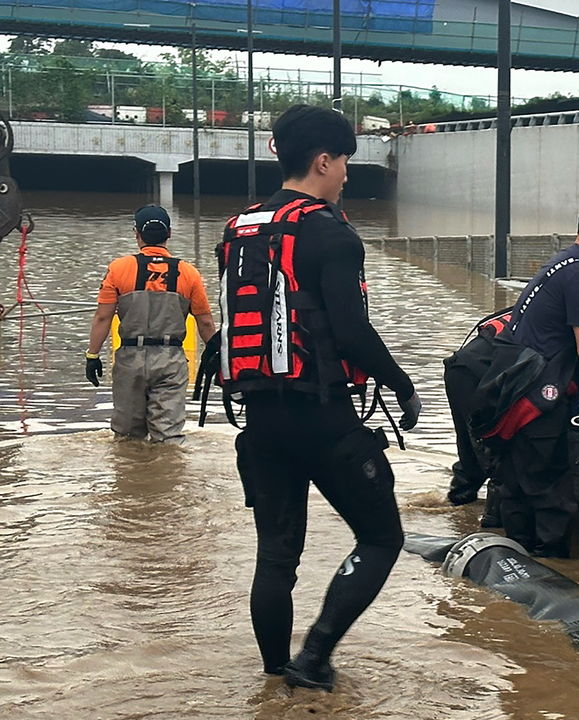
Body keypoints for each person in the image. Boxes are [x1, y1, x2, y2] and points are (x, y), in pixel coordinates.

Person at [219, 104, 421, 691]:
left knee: (276, 559)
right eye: (346, 163)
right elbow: (351, 331)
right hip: (323, 418)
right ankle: (314, 657)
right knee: (382, 537)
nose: (347, 176)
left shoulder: (240, 228)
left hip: (261, 422)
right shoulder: (331, 231)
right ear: (323, 161)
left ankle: (272, 678)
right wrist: (402, 384)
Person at [468, 194, 579, 558]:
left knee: (515, 484)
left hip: (510, 394)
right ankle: (553, 564)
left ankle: (515, 560)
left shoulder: (559, 264)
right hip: (538, 398)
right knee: (550, 490)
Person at [443, 285, 579, 525]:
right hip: (485, 378)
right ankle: (493, 526)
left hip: (461, 368)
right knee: (503, 456)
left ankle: (457, 512)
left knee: (473, 453)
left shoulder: (561, 312)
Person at [85, 204, 217, 443]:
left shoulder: (118, 269)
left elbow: (103, 317)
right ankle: (167, 466)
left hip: (130, 360)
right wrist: (216, 355)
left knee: (127, 438)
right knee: (168, 437)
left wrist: (92, 355)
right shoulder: (188, 273)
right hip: (170, 360)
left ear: (137, 233)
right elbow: (205, 322)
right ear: (169, 234)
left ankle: (133, 468)